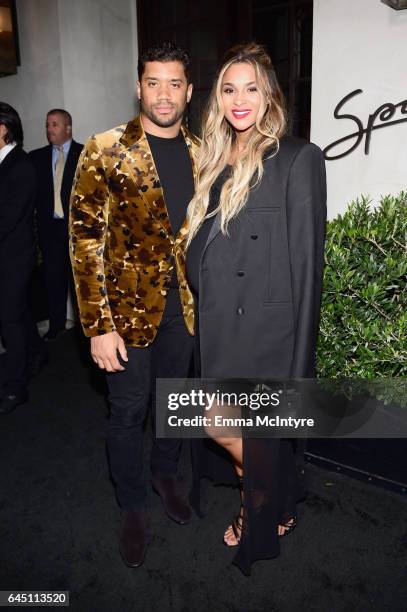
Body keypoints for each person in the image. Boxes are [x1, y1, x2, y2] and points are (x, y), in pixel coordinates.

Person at [185, 43, 327, 575]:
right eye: (228, 88)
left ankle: (259, 508)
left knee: (234, 429)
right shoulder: (214, 157)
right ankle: (279, 491)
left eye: (251, 88)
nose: (239, 99)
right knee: (219, 425)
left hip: (266, 334)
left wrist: (298, 366)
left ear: (269, 97)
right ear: (218, 98)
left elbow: (307, 265)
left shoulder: (296, 156)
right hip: (219, 325)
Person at [69, 41, 198, 568]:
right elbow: (84, 241)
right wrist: (97, 325)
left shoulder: (203, 150)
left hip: (185, 310)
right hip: (123, 312)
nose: (163, 94)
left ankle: (165, 475)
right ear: (139, 86)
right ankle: (131, 506)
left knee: (172, 404)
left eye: (174, 84)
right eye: (153, 82)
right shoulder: (104, 148)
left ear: (189, 91)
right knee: (127, 411)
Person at [0, 103, 42, 414]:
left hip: (14, 257)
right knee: (18, 312)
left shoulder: (22, 166)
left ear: (4, 129)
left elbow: (8, 218)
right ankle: (37, 351)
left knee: (8, 319)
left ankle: (15, 388)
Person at [30, 109, 83, 340]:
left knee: (80, 283)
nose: (49, 129)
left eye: (54, 124)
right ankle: (56, 327)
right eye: (47, 125)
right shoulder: (36, 158)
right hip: (50, 229)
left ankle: (85, 331)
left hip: (77, 232)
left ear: (67, 128)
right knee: (53, 280)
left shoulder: (84, 154)